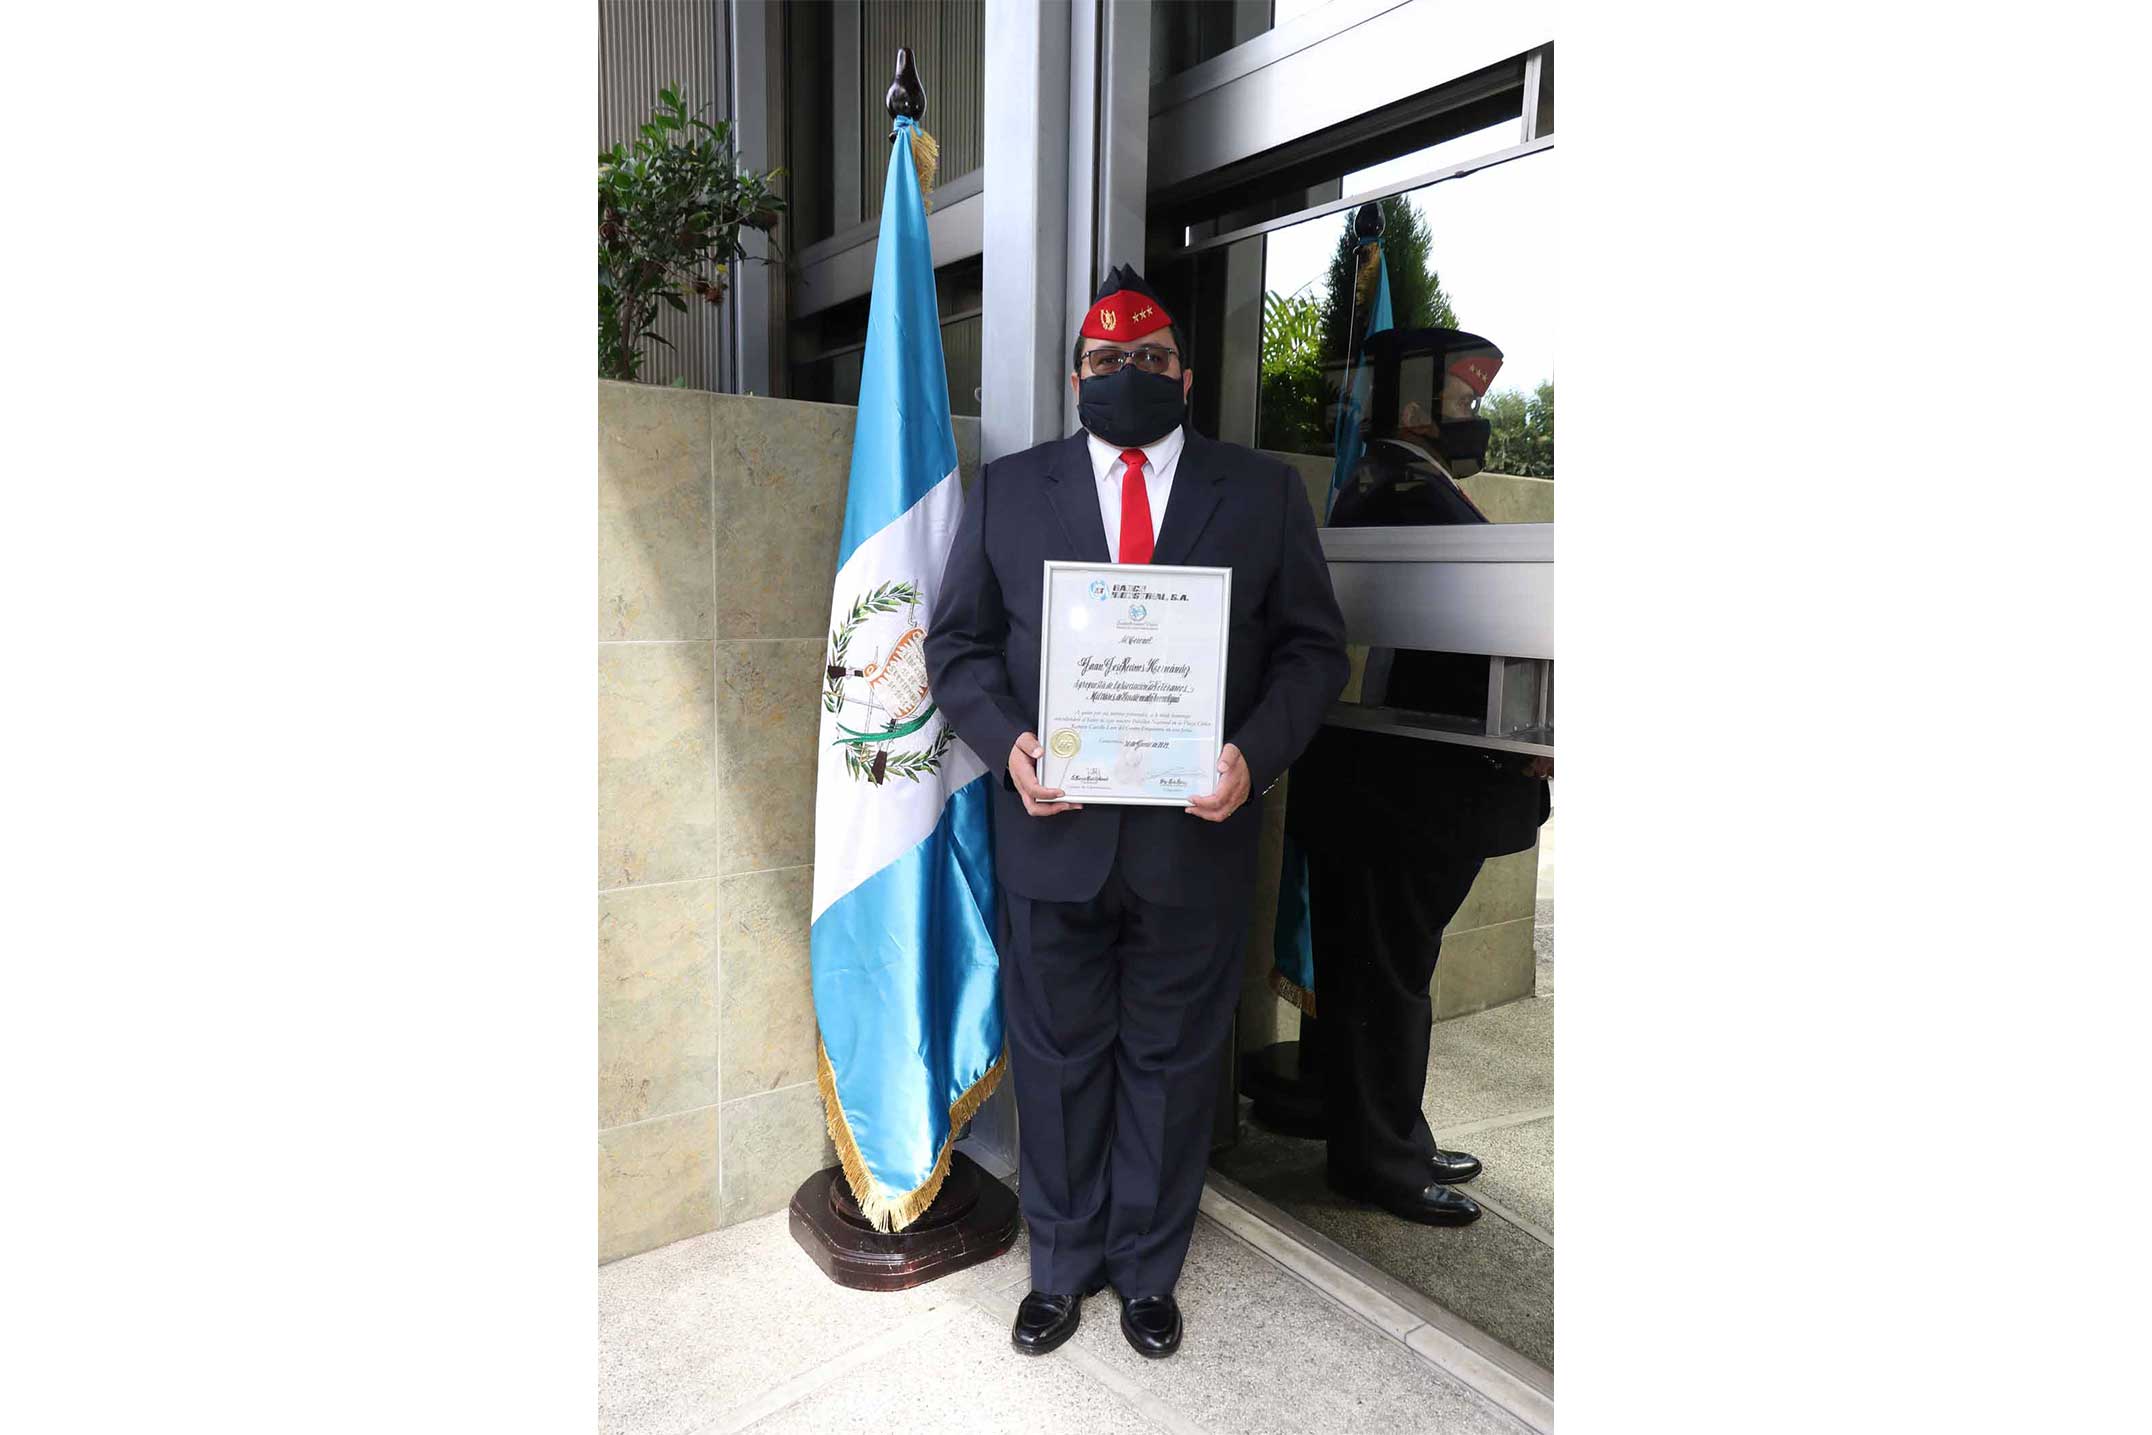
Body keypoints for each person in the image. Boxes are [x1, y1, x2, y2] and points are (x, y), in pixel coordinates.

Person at [925, 265, 1348, 1359]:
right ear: (1077, 377)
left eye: (1150, 359)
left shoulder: (1260, 493)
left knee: (1171, 1061)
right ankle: (1061, 1266)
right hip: (1052, 829)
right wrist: (1008, 743)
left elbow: (1312, 651)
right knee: (1058, 1059)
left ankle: (1148, 1271)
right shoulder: (1011, 490)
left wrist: (1253, 757)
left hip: (1193, 837)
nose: (1127, 373)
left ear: (1186, 377)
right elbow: (960, 646)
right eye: (1105, 360)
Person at [1288, 326, 1552, 1227]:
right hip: (1400, 785)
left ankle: (1381, 1126)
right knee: (1385, 977)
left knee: (1386, 968)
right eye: (1462, 400)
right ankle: (1379, 1162)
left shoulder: (1403, 484)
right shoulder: (1402, 489)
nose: (1475, 417)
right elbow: (1474, 631)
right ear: (1411, 407)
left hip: (1393, 781)